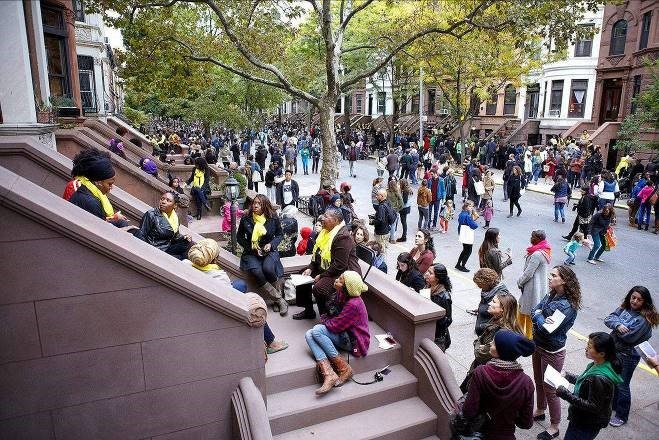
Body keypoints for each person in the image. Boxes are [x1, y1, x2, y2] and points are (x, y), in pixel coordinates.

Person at [184, 239, 288, 356]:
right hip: (217, 307)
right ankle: (271, 342)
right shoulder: (219, 277)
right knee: (254, 308)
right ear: (214, 259)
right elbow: (229, 300)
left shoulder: (185, 264)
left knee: (241, 285)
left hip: (204, 296)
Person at [531, 265, 581, 440]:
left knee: (551, 388)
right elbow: (534, 309)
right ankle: (540, 410)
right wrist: (540, 316)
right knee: (538, 380)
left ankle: (554, 426)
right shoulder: (552, 293)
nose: (550, 277)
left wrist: (539, 316)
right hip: (538, 345)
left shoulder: (567, 306)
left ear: (564, 280)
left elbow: (546, 329)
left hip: (553, 351)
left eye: (554, 275)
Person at [461, 330, 535, 440]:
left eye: (494, 343)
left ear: (502, 349)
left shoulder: (481, 373)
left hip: (481, 433)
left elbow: (468, 411)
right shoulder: (526, 382)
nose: (490, 343)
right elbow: (526, 423)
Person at [305, 271, 370, 395]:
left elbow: (335, 325)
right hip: (344, 333)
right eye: (339, 278)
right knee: (308, 334)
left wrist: (324, 319)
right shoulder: (341, 294)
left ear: (347, 287)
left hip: (354, 340)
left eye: (340, 280)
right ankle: (329, 374)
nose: (336, 281)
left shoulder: (353, 304)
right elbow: (332, 314)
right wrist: (327, 317)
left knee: (317, 331)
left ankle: (344, 369)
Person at [605, 286, 658, 427]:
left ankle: (622, 416)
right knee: (613, 379)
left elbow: (629, 337)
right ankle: (614, 405)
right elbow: (608, 318)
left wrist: (616, 327)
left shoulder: (644, 320)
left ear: (645, 302)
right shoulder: (624, 308)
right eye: (633, 297)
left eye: (639, 300)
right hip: (615, 351)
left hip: (628, 357)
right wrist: (617, 325)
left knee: (622, 385)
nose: (634, 301)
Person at [555, 332, 623, 440]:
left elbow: (593, 406)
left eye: (590, 347)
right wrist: (568, 376)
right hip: (582, 419)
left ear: (602, 353)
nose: (586, 348)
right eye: (587, 345)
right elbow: (586, 381)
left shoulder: (599, 378)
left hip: (585, 423)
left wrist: (565, 394)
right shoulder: (601, 364)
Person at [298, 208, 362, 320]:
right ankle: (309, 311)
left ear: (336, 220)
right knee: (302, 275)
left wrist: (321, 276)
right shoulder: (324, 232)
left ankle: (328, 317)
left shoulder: (343, 237)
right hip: (329, 268)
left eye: (326, 216)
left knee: (319, 288)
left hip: (344, 272)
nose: (322, 218)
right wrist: (311, 268)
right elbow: (318, 254)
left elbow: (340, 265)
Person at [460, 291, 523, 393]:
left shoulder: (500, 332)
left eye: (494, 302)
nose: (489, 303)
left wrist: (477, 342)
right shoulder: (498, 321)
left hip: (485, 374)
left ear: (503, 309)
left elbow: (480, 354)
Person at [236, 194, 288, 315]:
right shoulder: (247, 218)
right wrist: (252, 247)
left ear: (264, 205)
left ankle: (276, 300)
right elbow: (239, 237)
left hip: (269, 250)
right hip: (251, 251)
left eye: (259, 203)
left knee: (268, 269)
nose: (255, 205)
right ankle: (279, 300)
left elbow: (280, 235)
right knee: (257, 271)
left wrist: (271, 244)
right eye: (254, 203)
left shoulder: (272, 217)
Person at [68, 148, 131, 228]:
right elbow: (99, 230)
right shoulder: (91, 202)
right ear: (98, 182)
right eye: (109, 184)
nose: (111, 187)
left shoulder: (88, 192)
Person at [517, 230, 551, 339]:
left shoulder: (537, 254)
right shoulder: (544, 250)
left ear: (538, 239)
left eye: (533, 237)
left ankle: (524, 337)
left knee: (525, 312)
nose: (531, 238)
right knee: (531, 312)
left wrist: (519, 282)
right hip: (538, 288)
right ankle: (527, 336)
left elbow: (528, 273)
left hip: (532, 287)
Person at [137, 191, 192, 260]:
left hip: (167, 247)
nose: (163, 202)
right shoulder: (151, 214)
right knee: (180, 258)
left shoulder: (175, 217)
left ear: (175, 205)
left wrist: (184, 238)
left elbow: (174, 237)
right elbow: (141, 234)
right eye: (162, 199)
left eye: (168, 201)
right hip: (154, 248)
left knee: (187, 244)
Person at [472, 268, 512, 336]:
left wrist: (484, 326)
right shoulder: (486, 289)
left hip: (490, 333)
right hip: (482, 331)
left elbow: (502, 316)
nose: (478, 286)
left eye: (479, 284)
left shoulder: (501, 294)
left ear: (487, 283)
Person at [424, 263, 453, 350]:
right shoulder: (427, 287)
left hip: (437, 337)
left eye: (430, 273)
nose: (426, 274)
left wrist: (435, 313)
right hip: (427, 330)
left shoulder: (444, 297)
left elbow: (448, 320)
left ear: (437, 278)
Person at [456, 201, 479, 272]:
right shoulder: (467, 216)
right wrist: (474, 218)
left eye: (472, 206)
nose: (471, 208)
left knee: (464, 250)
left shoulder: (461, 214)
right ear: (466, 207)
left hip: (462, 233)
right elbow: (474, 225)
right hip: (467, 234)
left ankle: (458, 264)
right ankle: (462, 266)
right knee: (468, 251)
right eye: (470, 206)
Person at [387, 179, 403, 243]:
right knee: (393, 224)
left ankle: (387, 237)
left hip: (388, 210)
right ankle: (392, 239)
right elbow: (401, 203)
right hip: (395, 210)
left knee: (388, 224)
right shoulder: (397, 192)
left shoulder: (387, 191)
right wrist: (398, 209)